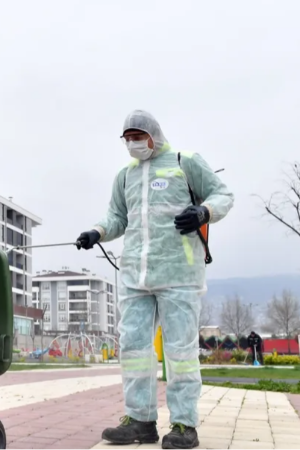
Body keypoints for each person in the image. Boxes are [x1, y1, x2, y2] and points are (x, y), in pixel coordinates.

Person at [76, 110, 233, 450]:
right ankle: (141, 421)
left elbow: (223, 195)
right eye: (127, 138)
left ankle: (183, 424)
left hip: (179, 274)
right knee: (133, 349)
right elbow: (117, 217)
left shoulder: (184, 162)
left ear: (153, 135)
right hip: (135, 276)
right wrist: (97, 232)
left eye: (137, 136)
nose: (133, 143)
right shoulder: (124, 176)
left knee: (179, 352)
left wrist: (203, 212)